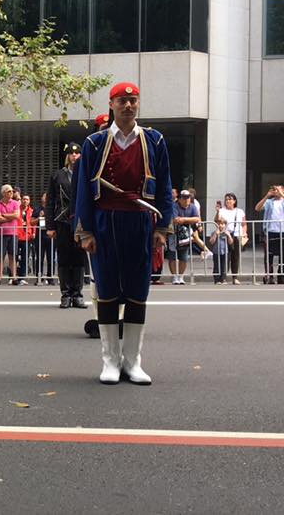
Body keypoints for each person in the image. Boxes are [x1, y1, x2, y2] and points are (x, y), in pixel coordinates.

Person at [75, 82, 172, 386]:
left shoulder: (155, 141)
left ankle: (133, 362)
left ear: (138, 104)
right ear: (112, 104)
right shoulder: (94, 143)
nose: (128, 105)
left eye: (133, 100)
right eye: (122, 101)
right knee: (106, 292)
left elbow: (166, 186)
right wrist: (86, 230)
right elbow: (82, 192)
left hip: (141, 222)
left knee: (137, 292)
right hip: (105, 221)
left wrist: (161, 226)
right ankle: (110, 361)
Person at [47, 143, 87, 308]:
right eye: (71, 154)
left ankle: (77, 294)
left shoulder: (85, 175)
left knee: (78, 258)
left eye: (77, 154)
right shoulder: (57, 175)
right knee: (64, 258)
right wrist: (50, 226)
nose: (74, 156)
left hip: (79, 222)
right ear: (67, 156)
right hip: (62, 221)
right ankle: (65, 294)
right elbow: (50, 202)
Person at [170, 190, 201, 285]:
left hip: (186, 234)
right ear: (179, 199)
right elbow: (175, 219)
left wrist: (183, 219)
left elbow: (197, 218)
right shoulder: (174, 206)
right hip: (174, 233)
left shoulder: (193, 207)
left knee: (184, 256)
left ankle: (181, 276)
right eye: (184, 197)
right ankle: (175, 276)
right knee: (173, 256)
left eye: (188, 197)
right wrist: (189, 220)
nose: (187, 199)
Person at [215, 193, 247, 285]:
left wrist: (244, 233)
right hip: (225, 235)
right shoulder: (222, 210)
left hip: (236, 235)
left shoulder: (239, 211)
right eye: (226, 199)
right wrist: (217, 211)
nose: (228, 201)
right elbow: (217, 221)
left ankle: (235, 277)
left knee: (235, 257)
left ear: (234, 201)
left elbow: (244, 224)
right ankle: (223, 278)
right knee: (225, 257)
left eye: (230, 199)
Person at [255, 184, 284, 284]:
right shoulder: (269, 202)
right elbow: (257, 208)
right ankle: (269, 275)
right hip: (270, 231)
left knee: (282, 255)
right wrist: (267, 195)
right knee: (269, 255)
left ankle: (281, 275)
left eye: (278, 189)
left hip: (282, 231)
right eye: (274, 189)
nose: (275, 191)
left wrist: (282, 194)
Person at [0, 184, 20, 285]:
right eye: (9, 191)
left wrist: (4, 215)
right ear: (4, 193)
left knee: (13, 256)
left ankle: (14, 277)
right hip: (1, 233)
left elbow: (17, 215)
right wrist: (10, 216)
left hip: (13, 232)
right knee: (1, 256)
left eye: (12, 191)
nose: (11, 193)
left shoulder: (15, 203)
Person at [15, 194, 37, 286]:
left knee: (25, 257)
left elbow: (34, 223)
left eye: (27, 199)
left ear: (29, 201)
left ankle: (23, 277)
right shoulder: (17, 210)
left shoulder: (32, 211)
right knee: (14, 257)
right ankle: (13, 276)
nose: (25, 201)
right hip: (17, 235)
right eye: (23, 199)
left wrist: (34, 232)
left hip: (27, 237)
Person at [209, 218, 231, 284]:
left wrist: (229, 235)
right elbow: (211, 242)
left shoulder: (226, 232)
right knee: (216, 266)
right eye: (219, 224)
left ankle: (223, 278)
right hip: (216, 252)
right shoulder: (214, 232)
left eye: (222, 224)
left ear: (225, 225)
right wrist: (215, 234)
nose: (220, 226)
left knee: (224, 266)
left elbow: (230, 242)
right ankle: (217, 279)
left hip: (225, 251)